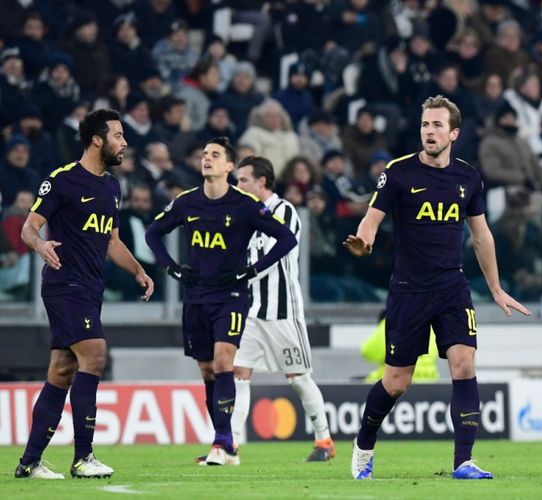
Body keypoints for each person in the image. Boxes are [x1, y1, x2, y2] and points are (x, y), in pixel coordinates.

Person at [344, 95, 530, 481]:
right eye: (425, 125)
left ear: (454, 133)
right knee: (397, 382)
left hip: (452, 287)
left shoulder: (469, 178)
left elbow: (481, 237)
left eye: (437, 125)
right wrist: (364, 242)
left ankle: (464, 461)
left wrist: (495, 289)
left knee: (464, 364)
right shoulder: (398, 173)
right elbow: (371, 219)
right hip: (409, 290)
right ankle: (364, 444)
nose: (429, 131)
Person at [14, 109, 155, 479]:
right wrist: (41, 246)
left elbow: (112, 240)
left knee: (62, 370)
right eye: (119, 136)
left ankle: (29, 463)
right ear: (97, 139)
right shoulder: (62, 180)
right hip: (64, 284)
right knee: (95, 353)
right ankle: (83, 457)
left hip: (92, 288)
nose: (124, 143)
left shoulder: (111, 186)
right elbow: (30, 228)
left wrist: (138, 270)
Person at [144, 137, 297, 466]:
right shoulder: (186, 203)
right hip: (196, 297)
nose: (207, 159)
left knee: (224, 361)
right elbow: (152, 233)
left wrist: (252, 270)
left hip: (231, 296)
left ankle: (222, 443)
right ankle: (224, 445)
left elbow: (286, 237)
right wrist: (172, 268)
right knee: (207, 370)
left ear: (230, 166)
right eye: (204, 155)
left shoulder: (244, 204)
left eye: (215, 155)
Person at [222, 155, 335, 463]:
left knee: (298, 377)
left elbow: (276, 253)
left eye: (243, 179)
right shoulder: (243, 215)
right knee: (239, 374)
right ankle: (229, 446)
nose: (237, 185)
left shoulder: (285, 211)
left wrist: (248, 270)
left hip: (283, 312)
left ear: (261, 182)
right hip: (252, 311)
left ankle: (323, 439)